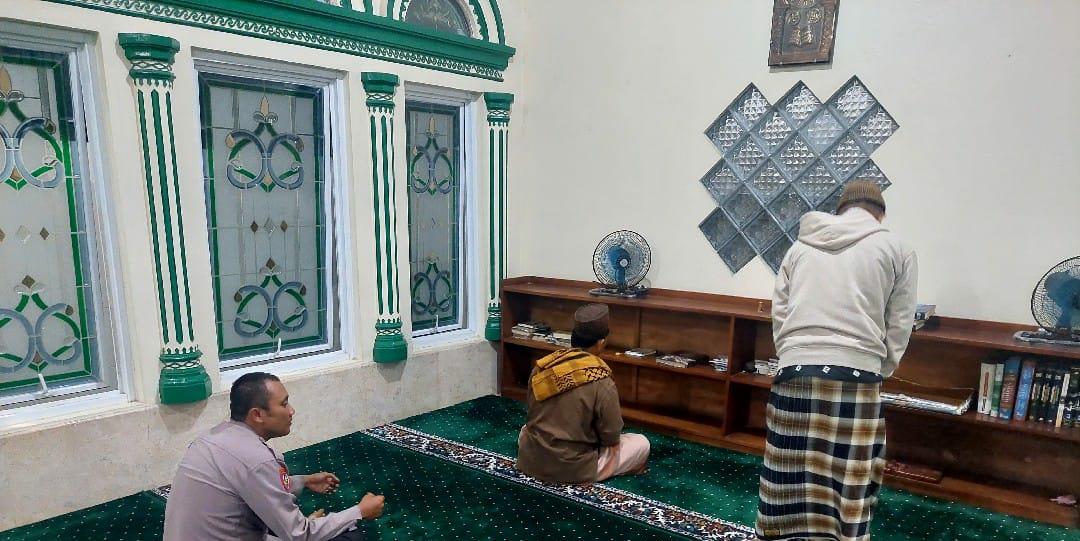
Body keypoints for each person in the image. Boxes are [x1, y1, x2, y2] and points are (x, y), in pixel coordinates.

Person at [757, 181, 918, 541]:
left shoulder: (799, 247)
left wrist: (792, 354)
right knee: (850, 480)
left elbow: (780, 313)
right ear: (880, 214)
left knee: (787, 476)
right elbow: (900, 322)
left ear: (840, 209)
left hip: (795, 369)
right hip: (859, 373)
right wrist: (880, 368)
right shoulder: (897, 248)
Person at [163, 372, 386, 541]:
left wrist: (304, 481)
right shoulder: (259, 460)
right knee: (350, 534)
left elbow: (250, 485)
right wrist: (360, 511)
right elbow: (299, 535)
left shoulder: (208, 439)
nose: (291, 411)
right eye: (284, 403)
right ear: (257, 415)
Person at [516, 303, 650, 484]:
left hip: (532, 459)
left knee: (526, 431)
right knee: (641, 443)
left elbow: (531, 416)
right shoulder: (600, 379)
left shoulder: (543, 367)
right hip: (574, 467)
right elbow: (611, 436)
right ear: (601, 343)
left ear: (572, 339)